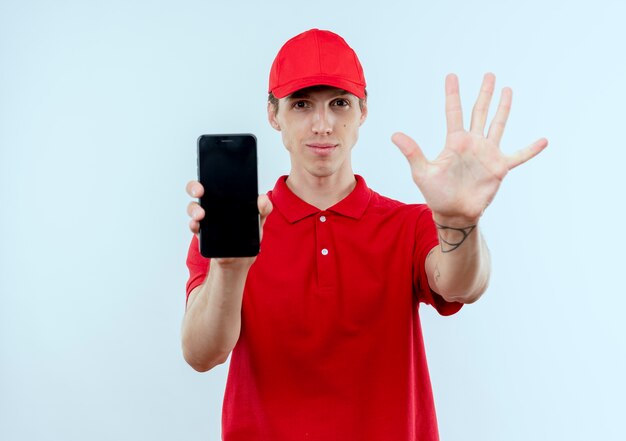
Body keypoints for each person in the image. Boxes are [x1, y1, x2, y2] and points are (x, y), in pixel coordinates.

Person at [181, 28, 547, 441]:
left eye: (339, 104)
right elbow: (201, 354)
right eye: (301, 105)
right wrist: (231, 269)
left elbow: (464, 284)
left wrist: (459, 222)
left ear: (363, 111)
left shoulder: (411, 223)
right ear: (273, 115)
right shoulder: (232, 231)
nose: (323, 125)